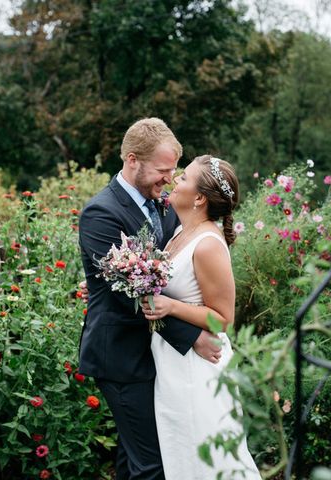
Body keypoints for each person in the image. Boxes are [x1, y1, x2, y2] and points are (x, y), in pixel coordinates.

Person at [77, 118, 223, 480]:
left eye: (174, 171)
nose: (170, 179)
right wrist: (191, 335)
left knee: (135, 459)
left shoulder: (164, 204)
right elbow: (128, 295)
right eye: (162, 170)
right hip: (122, 357)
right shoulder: (102, 214)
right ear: (132, 160)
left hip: (156, 355)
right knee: (154, 464)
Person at [141, 155, 261, 479]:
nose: (173, 181)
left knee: (208, 462)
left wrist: (171, 307)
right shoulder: (180, 232)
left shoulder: (208, 244)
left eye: (183, 178)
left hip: (199, 371)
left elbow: (223, 319)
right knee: (184, 457)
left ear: (198, 198)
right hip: (175, 364)